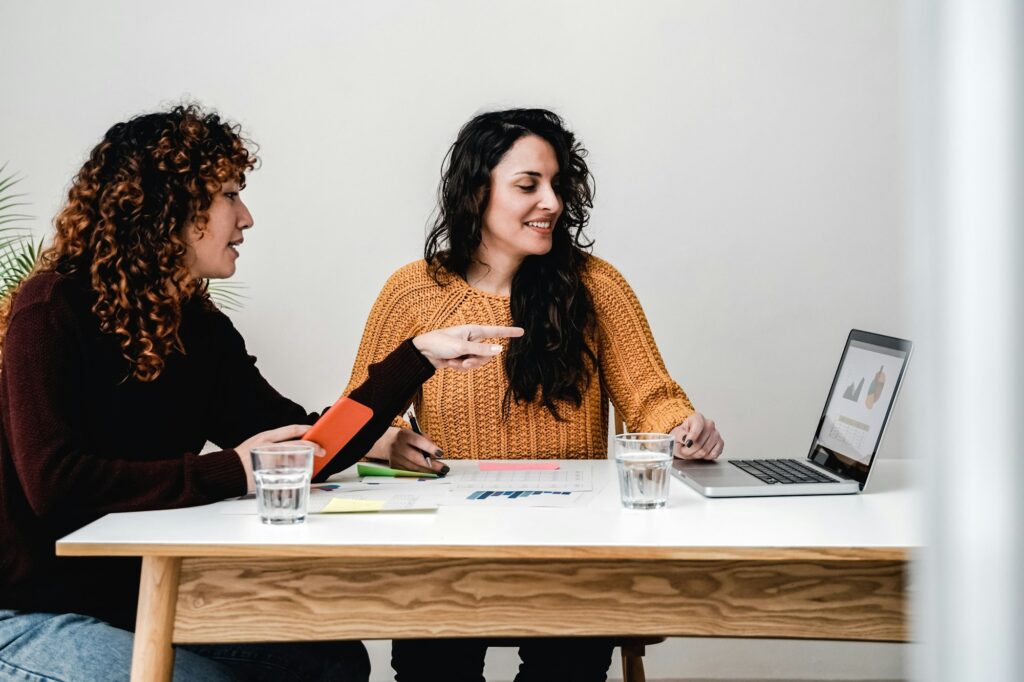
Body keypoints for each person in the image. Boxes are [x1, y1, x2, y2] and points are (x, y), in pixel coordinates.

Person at [0, 104, 522, 682]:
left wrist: (418, 356)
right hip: (29, 610)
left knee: (333, 662)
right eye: (228, 194)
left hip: (136, 599)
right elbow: (54, 486)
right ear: (168, 205)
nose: (246, 217)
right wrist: (238, 471)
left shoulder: (197, 325)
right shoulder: (50, 308)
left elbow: (306, 446)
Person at [341, 108, 724, 681]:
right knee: (431, 667)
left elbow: (651, 396)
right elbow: (355, 416)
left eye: (557, 185)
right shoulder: (412, 292)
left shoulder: (597, 286)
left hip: (571, 549)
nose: (552, 202)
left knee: (568, 669)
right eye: (528, 185)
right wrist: (391, 441)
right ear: (476, 193)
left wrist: (682, 425)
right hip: (448, 550)